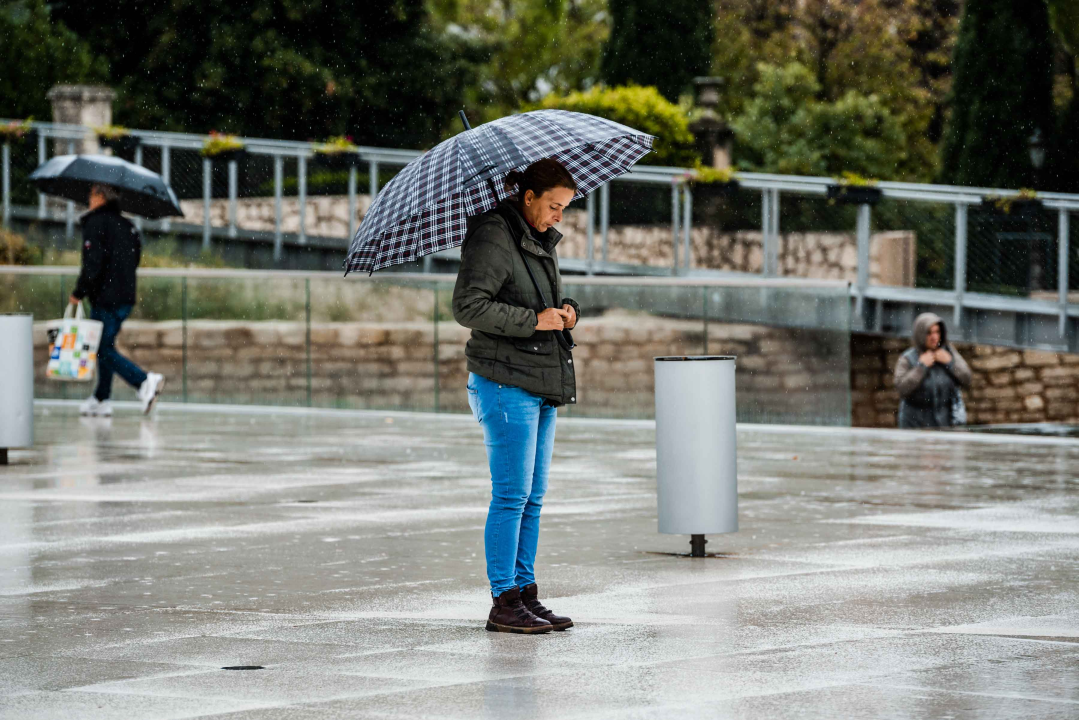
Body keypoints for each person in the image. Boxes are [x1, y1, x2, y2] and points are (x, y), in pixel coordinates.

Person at [452, 158, 581, 634]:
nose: (558, 217)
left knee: (533, 496)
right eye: (553, 206)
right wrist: (534, 321)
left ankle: (525, 593)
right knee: (511, 495)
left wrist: (568, 312)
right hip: (505, 383)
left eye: (564, 208)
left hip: (541, 379)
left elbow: (540, 300)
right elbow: (468, 306)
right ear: (527, 197)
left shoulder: (537, 239)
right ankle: (502, 600)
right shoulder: (493, 233)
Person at [71, 183, 164, 417]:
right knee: (105, 345)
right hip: (125, 297)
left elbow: (93, 264)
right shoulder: (128, 225)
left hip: (105, 298)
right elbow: (135, 258)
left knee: (101, 348)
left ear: (101, 197)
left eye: (91, 193)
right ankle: (102, 398)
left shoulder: (96, 224)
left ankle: (143, 381)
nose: (88, 198)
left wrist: (79, 291)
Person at [894, 312, 971, 429]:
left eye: (937, 332)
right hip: (915, 426)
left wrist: (950, 363)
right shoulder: (908, 358)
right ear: (920, 334)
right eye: (929, 333)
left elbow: (967, 379)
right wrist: (921, 367)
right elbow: (901, 389)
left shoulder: (949, 353)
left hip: (944, 425)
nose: (934, 337)